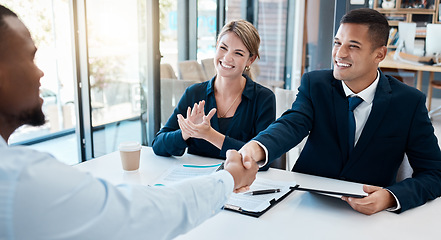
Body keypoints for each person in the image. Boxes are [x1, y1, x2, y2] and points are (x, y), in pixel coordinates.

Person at [0, 5, 258, 240]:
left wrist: (212, 139)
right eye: (29, 58)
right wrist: (191, 139)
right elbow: (140, 210)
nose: (40, 71)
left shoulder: (261, 97)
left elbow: (263, 154)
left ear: (250, 60)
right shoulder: (18, 178)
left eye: (238, 52)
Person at [231, 8, 441, 215]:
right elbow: (292, 124)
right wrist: (253, 150)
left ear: (380, 54)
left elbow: (434, 173)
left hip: (367, 215)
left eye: (353, 46)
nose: (339, 54)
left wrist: (390, 197)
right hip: (306, 200)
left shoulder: (409, 102)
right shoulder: (316, 84)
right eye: (337, 43)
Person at [152, 19, 276, 160]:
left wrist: (209, 135)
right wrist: (186, 132)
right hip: (196, 178)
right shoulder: (194, 93)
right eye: (223, 48)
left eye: (238, 53)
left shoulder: (263, 99)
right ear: (216, 47)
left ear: (250, 60)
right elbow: (158, 144)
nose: (227, 57)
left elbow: (263, 159)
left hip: (239, 181)